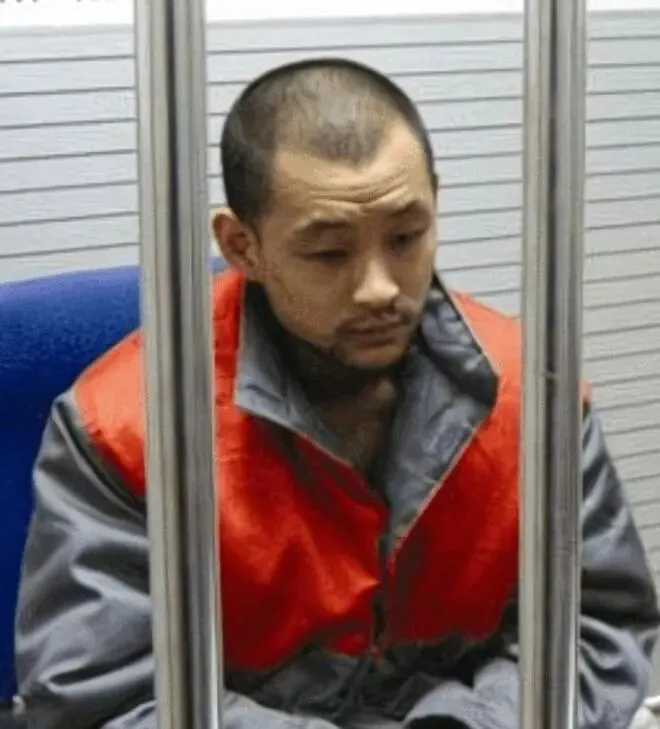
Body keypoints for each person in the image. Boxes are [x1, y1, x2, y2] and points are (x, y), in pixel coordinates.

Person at [14, 58, 660, 729]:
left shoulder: (533, 395)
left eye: (406, 236)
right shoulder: (128, 428)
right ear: (242, 245)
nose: (380, 288)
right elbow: (103, 698)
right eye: (328, 253)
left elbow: (596, 626)